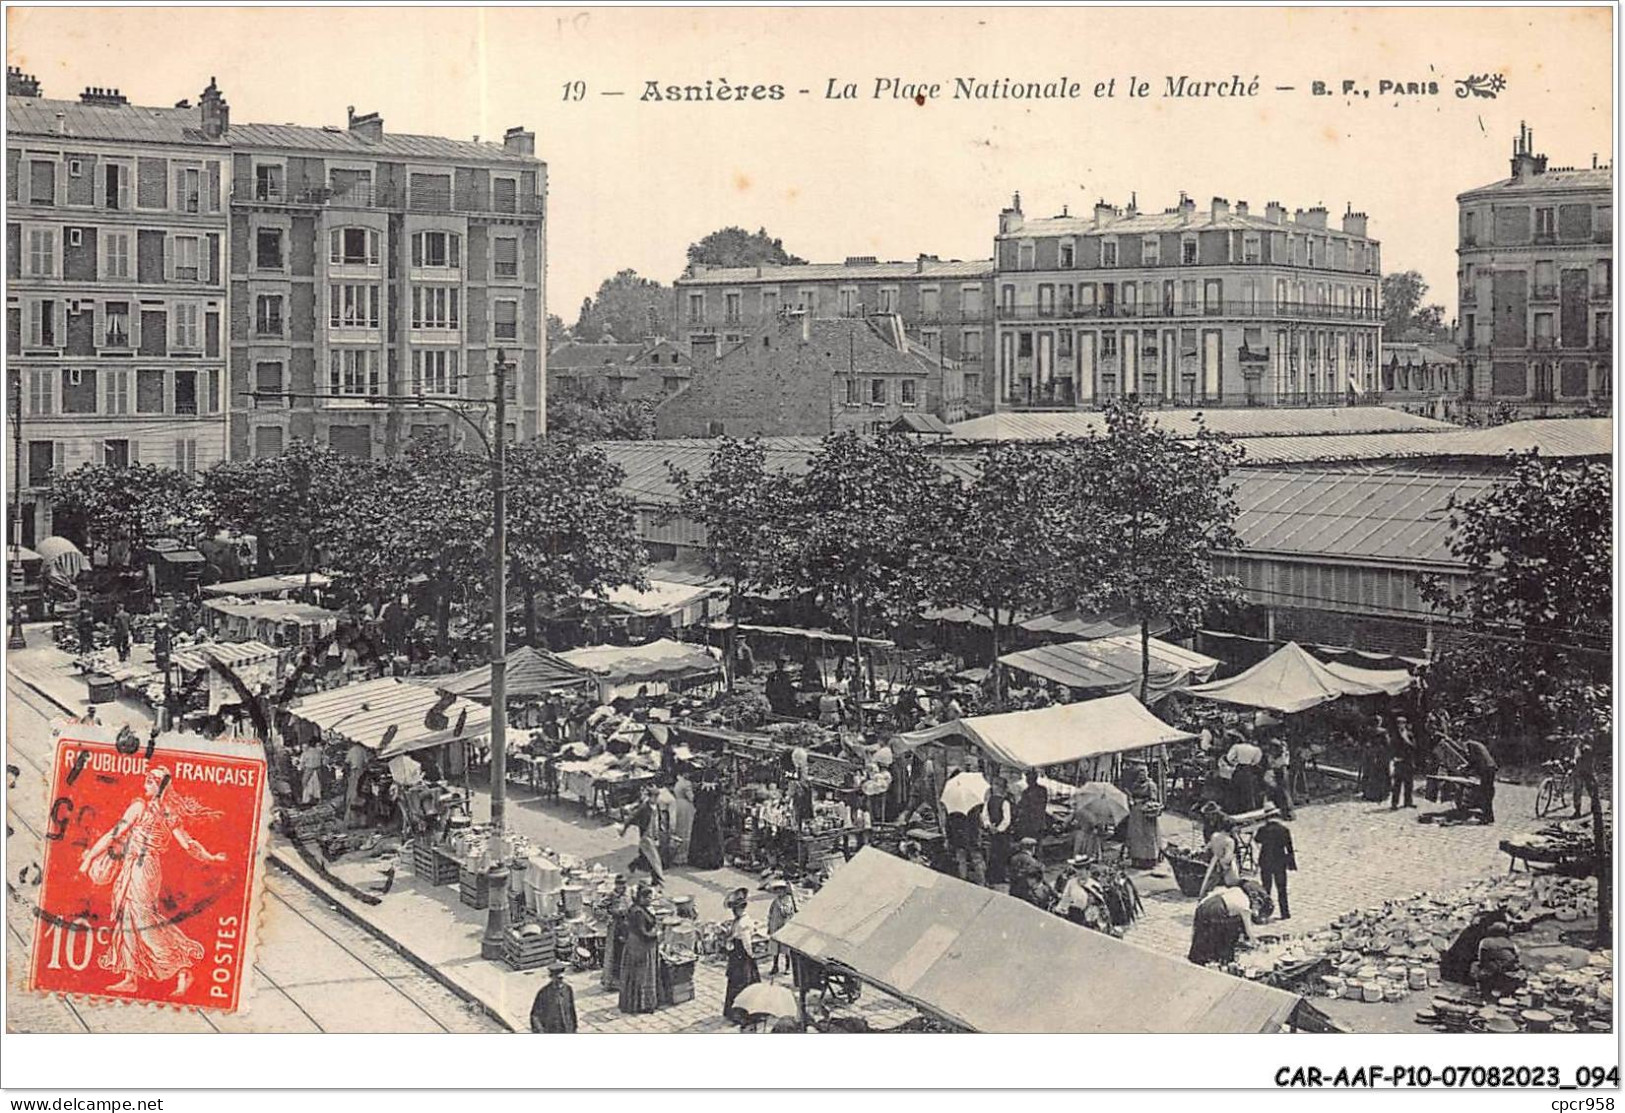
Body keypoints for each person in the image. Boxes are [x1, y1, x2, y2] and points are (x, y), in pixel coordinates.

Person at [77, 766, 227, 996]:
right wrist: (90, 858)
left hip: (144, 869)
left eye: (150, 781)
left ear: (160, 787)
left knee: (143, 918)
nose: (145, 784)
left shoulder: (158, 811)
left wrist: (210, 856)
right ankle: (131, 976)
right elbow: (115, 834)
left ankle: (181, 968)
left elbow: (187, 843)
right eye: (146, 779)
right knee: (127, 916)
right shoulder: (148, 807)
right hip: (133, 865)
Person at [1188, 882, 1270, 967]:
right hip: (1217, 910)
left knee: (1202, 934)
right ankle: (1218, 959)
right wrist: (1258, 945)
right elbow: (1249, 932)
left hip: (1204, 905)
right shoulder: (1245, 906)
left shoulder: (1237, 890)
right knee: (1218, 936)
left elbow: (1214, 893)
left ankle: (1197, 958)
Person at [617, 884, 660, 1015]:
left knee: (634, 975)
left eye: (650, 897)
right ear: (640, 897)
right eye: (647, 897)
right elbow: (643, 933)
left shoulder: (637, 908)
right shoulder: (638, 913)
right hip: (640, 947)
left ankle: (634, 1002)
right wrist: (656, 934)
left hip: (635, 945)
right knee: (642, 976)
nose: (650, 900)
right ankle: (641, 1004)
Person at [722, 888, 762, 1025]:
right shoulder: (743, 921)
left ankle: (735, 1011)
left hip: (738, 955)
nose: (734, 911)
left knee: (738, 982)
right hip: (742, 955)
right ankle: (742, 1014)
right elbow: (746, 943)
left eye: (735, 909)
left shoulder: (741, 922)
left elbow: (742, 941)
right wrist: (752, 955)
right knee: (744, 983)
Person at [620, 785, 666, 886]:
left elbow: (659, 817)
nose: (656, 799)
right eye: (654, 797)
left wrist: (662, 827)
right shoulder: (644, 808)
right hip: (646, 836)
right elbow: (632, 817)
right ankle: (657, 880)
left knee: (647, 857)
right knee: (654, 858)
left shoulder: (656, 806)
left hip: (655, 834)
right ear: (649, 797)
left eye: (657, 797)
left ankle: (634, 865)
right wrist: (624, 828)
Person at [1254, 815, 1297, 921]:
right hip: (1279, 861)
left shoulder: (1262, 830)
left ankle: (1265, 912)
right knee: (1282, 888)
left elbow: (1257, 840)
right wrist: (1291, 863)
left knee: (1266, 888)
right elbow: (1289, 847)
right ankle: (1285, 912)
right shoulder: (1284, 830)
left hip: (1266, 861)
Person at [688, 771, 726, 869]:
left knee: (700, 838)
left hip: (701, 817)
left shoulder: (700, 790)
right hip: (712, 817)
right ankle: (714, 861)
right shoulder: (717, 790)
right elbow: (719, 804)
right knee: (714, 840)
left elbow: (695, 802)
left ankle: (700, 861)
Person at [1474, 922, 1523, 997]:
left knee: (1474, 966)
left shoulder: (1485, 941)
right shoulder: (1510, 943)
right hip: (1509, 969)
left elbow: (1482, 959)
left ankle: (1484, 991)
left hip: (1495, 970)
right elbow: (1516, 956)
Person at [529, 962, 578, 1033]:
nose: (560, 982)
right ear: (551, 977)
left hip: (567, 1029)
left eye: (561, 978)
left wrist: (574, 1027)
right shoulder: (544, 992)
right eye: (557, 978)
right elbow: (535, 1015)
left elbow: (571, 1010)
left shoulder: (568, 989)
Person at [982, 777, 1013, 887]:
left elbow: (984, 816)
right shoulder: (1005, 802)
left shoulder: (989, 801)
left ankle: (994, 877)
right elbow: (1006, 819)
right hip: (1001, 834)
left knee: (995, 853)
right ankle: (999, 876)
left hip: (993, 831)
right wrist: (998, 829)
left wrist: (989, 826)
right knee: (1001, 854)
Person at [600, 876, 630, 992]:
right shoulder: (610, 896)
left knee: (625, 953)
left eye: (623, 884)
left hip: (626, 927)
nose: (622, 887)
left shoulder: (628, 895)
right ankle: (612, 981)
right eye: (620, 884)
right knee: (614, 954)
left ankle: (624, 979)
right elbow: (598, 907)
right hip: (615, 927)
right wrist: (608, 916)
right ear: (616, 885)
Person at [1198, 819, 1240, 898]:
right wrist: (1229, 863)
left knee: (1209, 881)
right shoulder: (1229, 841)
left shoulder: (1215, 835)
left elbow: (1208, 846)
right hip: (1224, 863)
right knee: (1232, 883)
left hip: (1214, 861)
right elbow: (1227, 857)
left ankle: (1203, 896)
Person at [765, 880, 798, 976]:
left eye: (780, 890)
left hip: (784, 927)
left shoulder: (788, 900)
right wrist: (769, 926)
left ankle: (788, 967)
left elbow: (786, 912)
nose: (779, 893)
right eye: (777, 891)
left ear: (784, 891)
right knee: (775, 948)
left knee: (786, 949)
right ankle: (775, 966)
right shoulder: (775, 901)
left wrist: (780, 905)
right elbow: (770, 914)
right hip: (775, 927)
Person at [1463, 738, 1499, 824]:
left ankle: (1487, 817)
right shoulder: (1477, 744)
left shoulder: (1470, 745)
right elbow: (1476, 759)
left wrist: (1466, 768)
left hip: (1486, 769)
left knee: (1485, 794)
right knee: (1488, 793)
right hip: (1491, 768)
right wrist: (1467, 767)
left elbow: (1473, 760)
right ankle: (1488, 816)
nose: (1466, 751)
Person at [1361, 717, 1393, 802]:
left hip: (1369, 754)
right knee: (1382, 774)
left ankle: (1367, 793)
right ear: (1380, 722)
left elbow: (1363, 742)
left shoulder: (1367, 731)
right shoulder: (1383, 731)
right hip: (1380, 754)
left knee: (1368, 772)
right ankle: (1381, 794)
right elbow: (1387, 743)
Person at [1013, 771, 1049, 845]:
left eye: (1030, 778)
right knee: (1032, 840)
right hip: (1030, 820)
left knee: (1036, 840)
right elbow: (1022, 804)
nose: (1028, 780)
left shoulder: (1040, 790)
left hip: (1035, 820)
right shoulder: (1026, 791)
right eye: (1028, 779)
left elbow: (1041, 804)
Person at [1390, 714, 1417, 810]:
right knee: (1397, 783)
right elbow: (1391, 747)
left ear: (1405, 724)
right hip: (1399, 761)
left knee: (1409, 783)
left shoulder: (1409, 734)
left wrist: (1407, 740)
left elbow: (1414, 747)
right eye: (1399, 723)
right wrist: (1394, 758)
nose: (1401, 725)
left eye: (1403, 723)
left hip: (1408, 761)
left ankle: (1408, 802)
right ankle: (1394, 803)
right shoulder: (1394, 735)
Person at [1007, 837, 1045, 906]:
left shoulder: (1013, 858)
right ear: (1032, 848)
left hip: (1013, 890)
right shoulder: (1032, 861)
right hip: (1027, 893)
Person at [669, 772, 696, 866]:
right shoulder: (687, 784)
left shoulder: (678, 782)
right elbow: (691, 798)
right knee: (686, 829)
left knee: (679, 829)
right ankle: (683, 856)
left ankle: (677, 855)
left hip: (678, 804)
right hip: (686, 806)